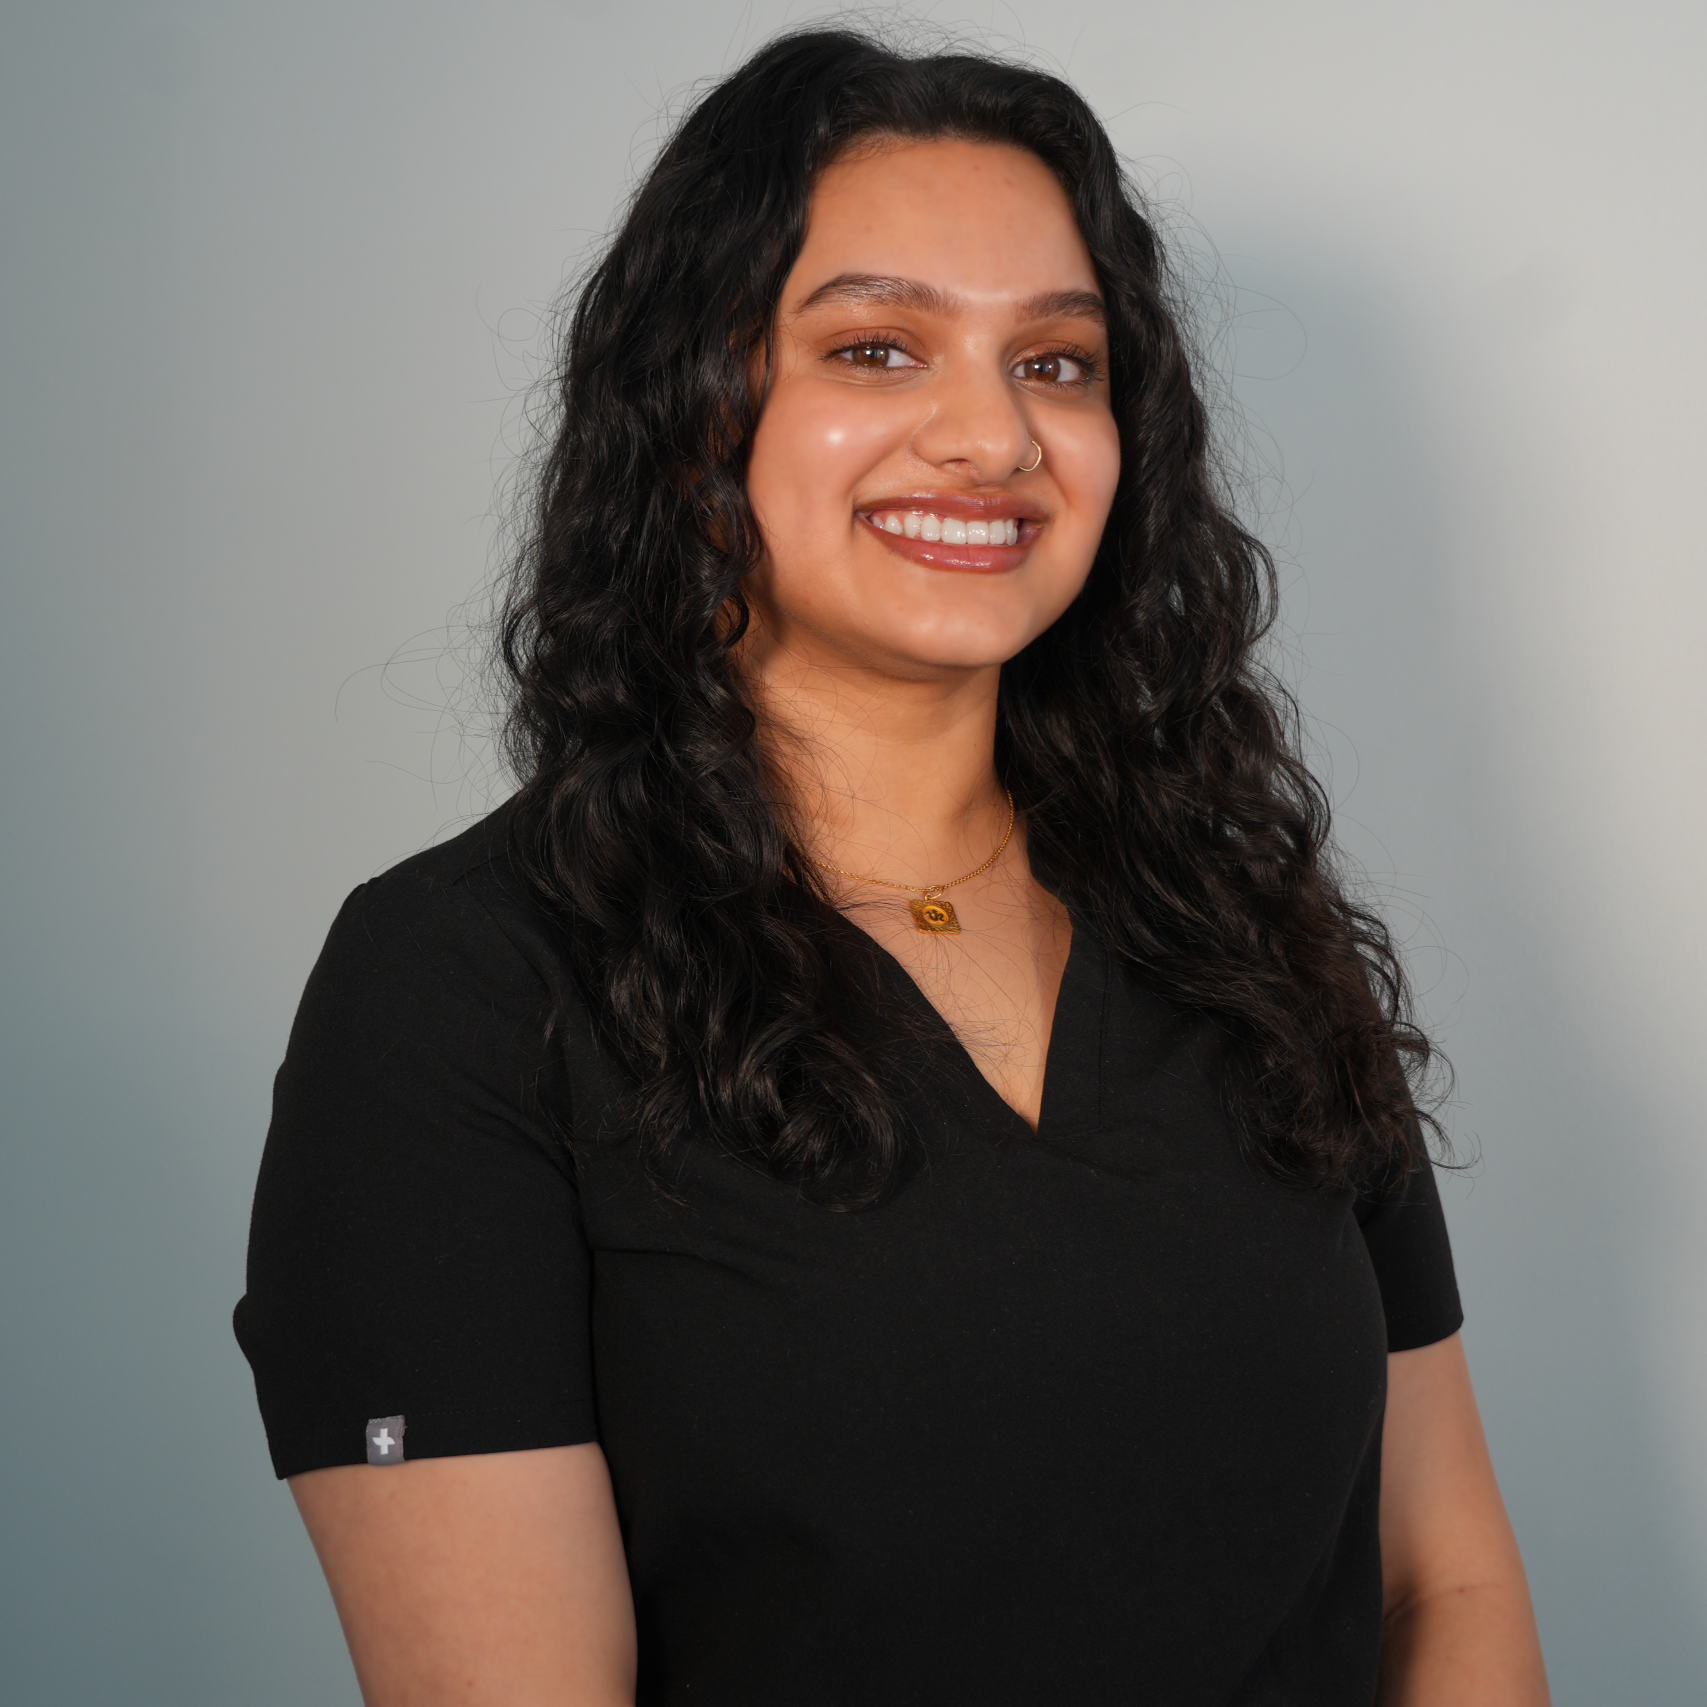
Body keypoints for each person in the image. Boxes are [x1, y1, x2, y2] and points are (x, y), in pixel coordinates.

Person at [235, 27, 1549, 1707]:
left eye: (1055, 362)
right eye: (874, 347)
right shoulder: (462, 987)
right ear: (691, 410)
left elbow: (1447, 1577)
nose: (990, 435)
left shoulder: (1249, 935)